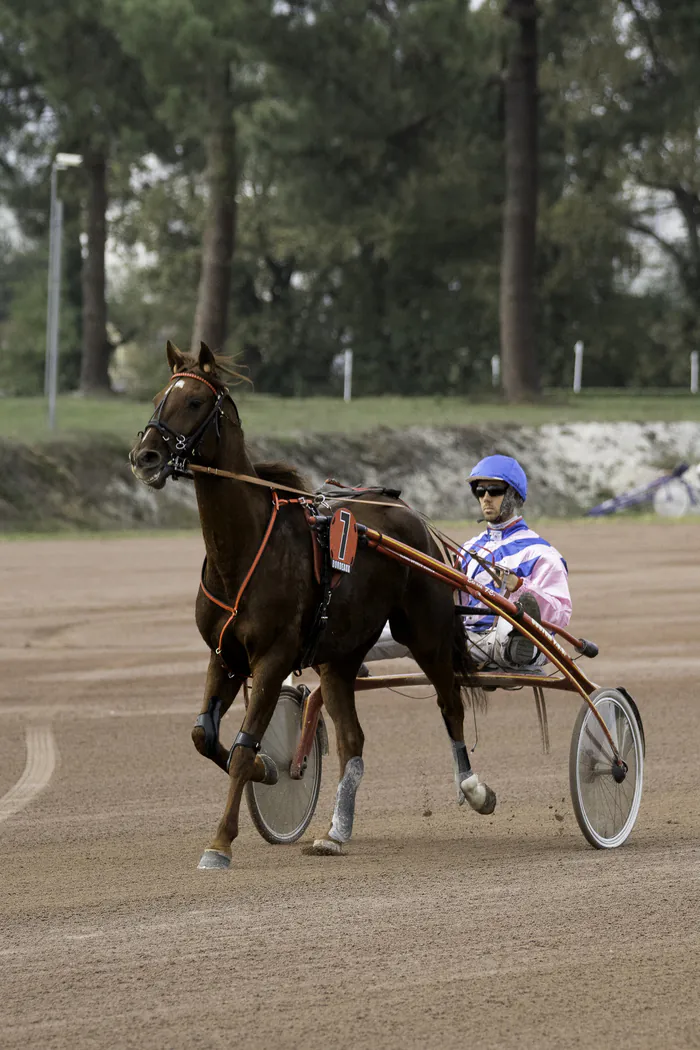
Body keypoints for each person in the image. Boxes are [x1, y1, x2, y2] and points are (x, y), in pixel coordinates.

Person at [456, 454, 572, 668]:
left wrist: (519, 587)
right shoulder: (467, 549)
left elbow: (560, 615)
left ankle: (519, 639)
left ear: (513, 495)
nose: (486, 498)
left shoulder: (541, 553)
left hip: (519, 640)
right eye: (480, 491)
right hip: (466, 639)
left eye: (495, 490)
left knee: (509, 633)